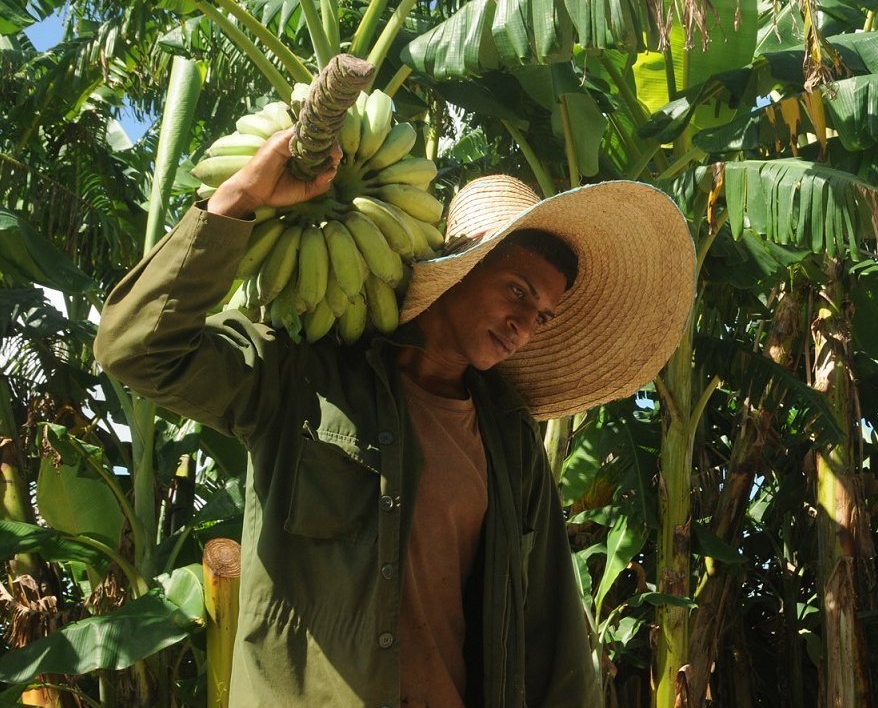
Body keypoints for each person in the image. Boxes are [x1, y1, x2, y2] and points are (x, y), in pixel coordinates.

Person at [93, 129, 695, 707]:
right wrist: (239, 198)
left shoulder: (508, 442)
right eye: (517, 290)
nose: (525, 325)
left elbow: (552, 632)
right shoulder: (305, 376)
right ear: (461, 268)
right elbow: (137, 349)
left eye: (541, 315)